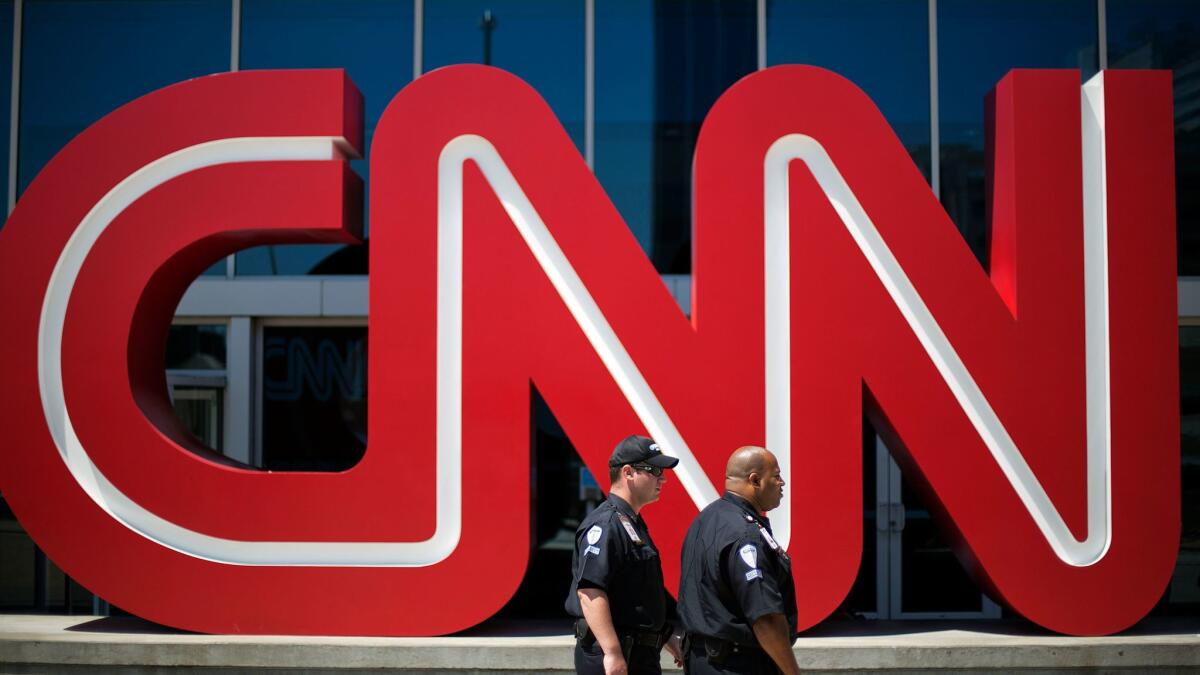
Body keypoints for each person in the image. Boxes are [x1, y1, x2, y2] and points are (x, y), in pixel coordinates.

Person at [566, 435, 685, 675]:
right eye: (654, 470)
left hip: (639, 652)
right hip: (616, 653)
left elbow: (635, 594)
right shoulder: (606, 525)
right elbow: (590, 591)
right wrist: (612, 653)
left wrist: (663, 635)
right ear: (628, 472)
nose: (663, 478)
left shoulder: (630, 522)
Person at [677, 446, 800, 675]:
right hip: (737, 664)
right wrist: (791, 672)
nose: (782, 483)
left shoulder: (705, 519)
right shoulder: (746, 534)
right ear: (755, 480)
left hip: (702, 661)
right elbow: (765, 616)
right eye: (776, 476)